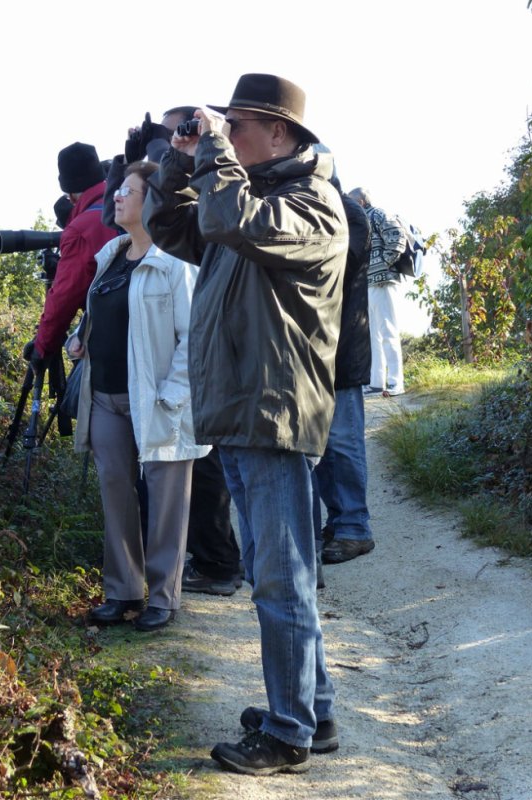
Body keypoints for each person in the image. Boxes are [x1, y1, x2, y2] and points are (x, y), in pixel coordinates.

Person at [143, 73, 348, 775]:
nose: (227, 136)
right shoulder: (247, 199)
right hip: (240, 412)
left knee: (281, 579)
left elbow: (230, 218)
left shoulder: (311, 205)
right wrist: (180, 156)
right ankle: (310, 712)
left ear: (280, 133)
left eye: (239, 125)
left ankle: (288, 732)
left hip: (273, 414)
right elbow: (175, 225)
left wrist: (216, 156)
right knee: (277, 572)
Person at [103, 108, 242, 598]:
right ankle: (158, 579)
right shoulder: (116, 251)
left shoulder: (198, 163)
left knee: (197, 477)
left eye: (175, 124)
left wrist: (185, 149)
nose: (167, 133)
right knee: (166, 482)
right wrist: (127, 162)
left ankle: (215, 566)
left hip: (191, 378)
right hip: (135, 386)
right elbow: (123, 216)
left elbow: (208, 217)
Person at [68, 160, 210, 631]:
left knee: (168, 499)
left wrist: (173, 394)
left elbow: (195, 336)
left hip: (157, 400)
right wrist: (81, 336)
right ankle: (122, 591)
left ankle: (164, 597)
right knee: (115, 493)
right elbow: (103, 311)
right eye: (118, 191)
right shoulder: (109, 255)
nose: (116, 198)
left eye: (127, 191)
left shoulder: (176, 263)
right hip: (106, 397)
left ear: (153, 200)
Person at [313, 179, 375, 565]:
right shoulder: (314, 204)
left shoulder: (348, 212)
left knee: (343, 443)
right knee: (319, 447)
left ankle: (355, 526)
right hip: (316, 350)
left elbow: (332, 268)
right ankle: (339, 522)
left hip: (343, 350)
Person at [27, 142, 117, 371]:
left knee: (81, 404)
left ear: (70, 194)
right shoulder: (126, 202)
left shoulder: (82, 228)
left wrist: (42, 347)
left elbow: (64, 296)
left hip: (111, 340)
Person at [348, 187, 407, 396]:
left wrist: (383, 263)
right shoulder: (362, 219)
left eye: (352, 200)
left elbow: (398, 237)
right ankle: (376, 382)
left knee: (388, 331)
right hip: (368, 284)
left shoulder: (379, 214)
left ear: (362, 201)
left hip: (383, 282)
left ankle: (396, 382)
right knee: (373, 334)